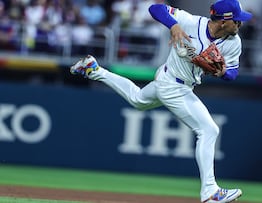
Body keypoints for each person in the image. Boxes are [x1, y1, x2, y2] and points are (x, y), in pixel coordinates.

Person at [70, 0, 252, 202]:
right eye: (236, 20)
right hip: (173, 85)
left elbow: (233, 73)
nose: (240, 24)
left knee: (138, 99)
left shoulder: (234, 42)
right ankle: (209, 191)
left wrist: (223, 71)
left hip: (175, 82)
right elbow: (155, 8)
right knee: (209, 130)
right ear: (223, 21)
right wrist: (173, 26)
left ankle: (93, 69)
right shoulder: (191, 23)